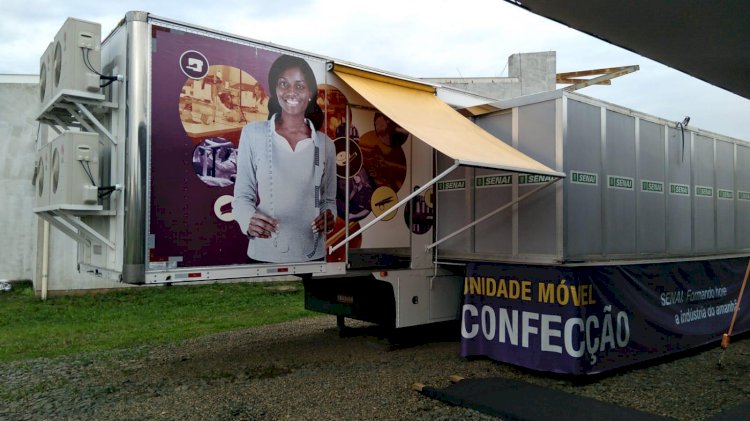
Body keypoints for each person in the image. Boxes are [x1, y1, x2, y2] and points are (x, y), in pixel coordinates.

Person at [233, 55, 336, 263]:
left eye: (300, 86)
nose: (291, 92)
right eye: (284, 84)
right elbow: (242, 197)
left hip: (312, 256)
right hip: (262, 255)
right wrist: (247, 220)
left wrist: (328, 217)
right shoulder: (253, 134)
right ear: (275, 89)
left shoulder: (326, 145)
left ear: (309, 94)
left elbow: (328, 200)